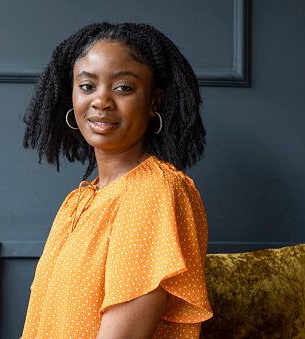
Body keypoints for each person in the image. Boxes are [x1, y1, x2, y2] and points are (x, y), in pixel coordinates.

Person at [21, 22, 212, 339]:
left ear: (154, 102)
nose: (101, 101)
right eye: (87, 86)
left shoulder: (155, 192)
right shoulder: (78, 202)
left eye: (123, 87)